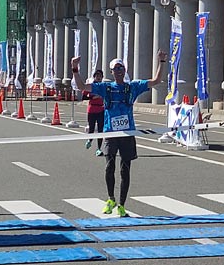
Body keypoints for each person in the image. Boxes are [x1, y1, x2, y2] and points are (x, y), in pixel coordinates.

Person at [71, 50, 167, 217]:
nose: (119, 71)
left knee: (125, 169)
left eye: (121, 68)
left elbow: (156, 81)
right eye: (116, 68)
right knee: (109, 167)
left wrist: (162, 62)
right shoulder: (105, 87)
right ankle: (110, 199)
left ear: (125, 70)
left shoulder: (132, 86)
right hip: (110, 132)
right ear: (111, 72)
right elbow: (81, 87)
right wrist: (74, 68)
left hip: (128, 133)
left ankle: (122, 204)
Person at [83, 69, 105, 156]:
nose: (99, 78)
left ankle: (99, 149)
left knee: (101, 130)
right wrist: (93, 97)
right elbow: (84, 97)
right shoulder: (90, 86)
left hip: (101, 110)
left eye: (100, 76)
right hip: (92, 109)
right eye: (97, 76)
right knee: (91, 128)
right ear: (94, 77)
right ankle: (89, 140)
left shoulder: (104, 86)